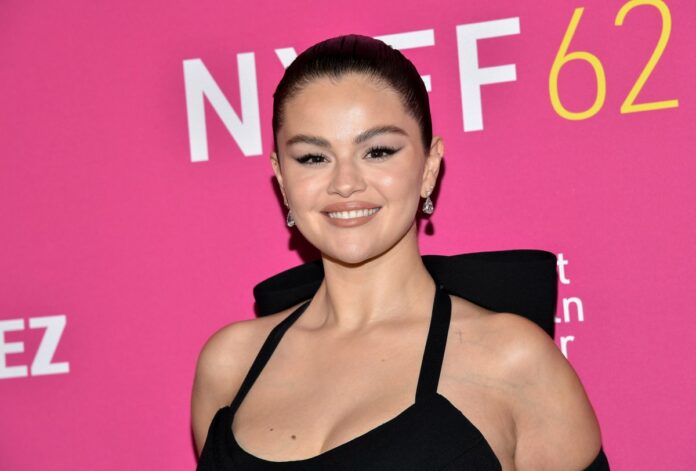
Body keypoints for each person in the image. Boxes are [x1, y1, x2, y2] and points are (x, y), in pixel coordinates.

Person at [191, 34, 609, 470]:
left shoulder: (514, 363)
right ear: (281, 178)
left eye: (377, 151)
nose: (345, 183)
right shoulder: (230, 366)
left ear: (429, 167)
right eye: (313, 157)